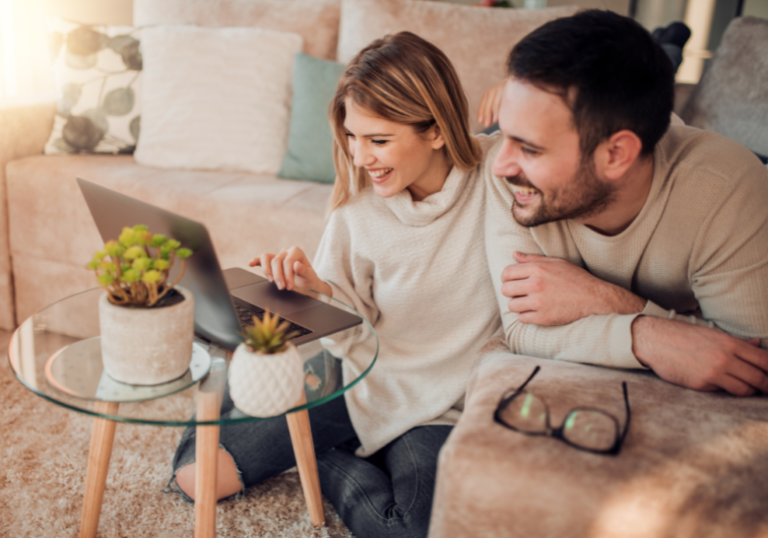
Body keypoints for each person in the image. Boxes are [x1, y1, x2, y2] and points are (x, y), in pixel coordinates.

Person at [166, 32, 501, 538]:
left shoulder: (500, 174)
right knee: (195, 476)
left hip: (441, 407)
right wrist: (319, 294)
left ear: (435, 129)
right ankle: (270, 414)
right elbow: (350, 337)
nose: (360, 156)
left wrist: (519, 92)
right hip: (358, 383)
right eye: (352, 137)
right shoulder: (356, 210)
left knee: (407, 531)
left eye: (379, 139)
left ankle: (315, 457)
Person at [481, 9, 768, 396]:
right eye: (505, 134)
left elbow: (751, 361)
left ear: (616, 154)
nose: (500, 166)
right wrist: (646, 335)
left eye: (530, 148)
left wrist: (605, 300)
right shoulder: (511, 177)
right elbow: (520, 329)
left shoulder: (726, 190)